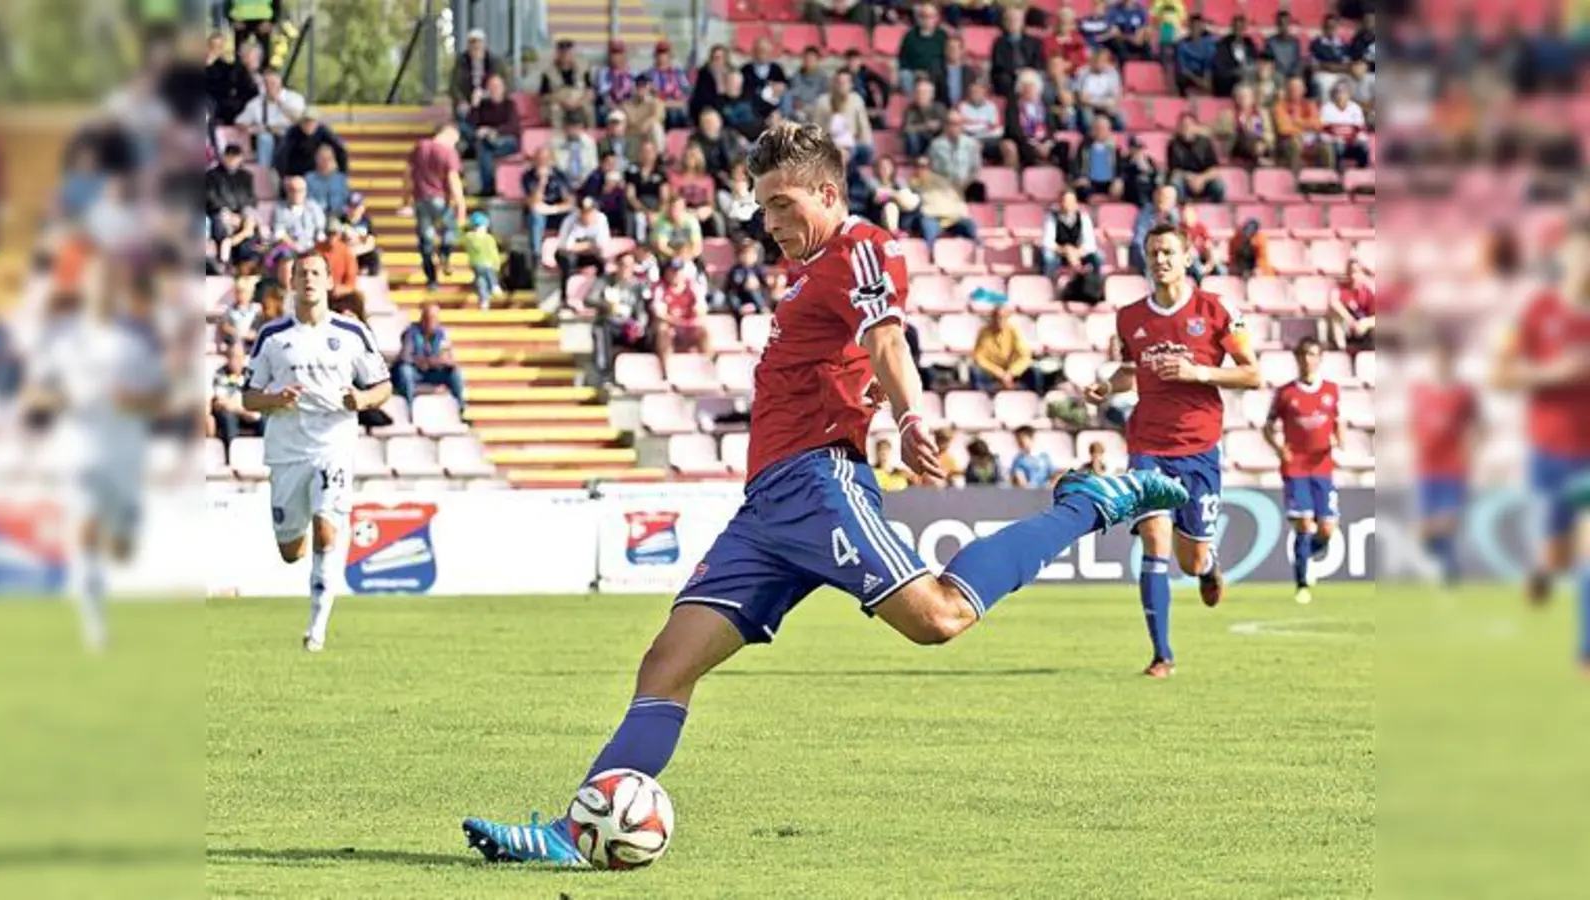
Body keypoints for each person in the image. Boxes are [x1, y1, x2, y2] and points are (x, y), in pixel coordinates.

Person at [460, 122, 1189, 863]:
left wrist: (908, 415)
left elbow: (887, 339)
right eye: (762, 208)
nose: (769, 223)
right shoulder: (807, 271)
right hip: (767, 507)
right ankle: (571, 832)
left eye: (781, 204)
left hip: (817, 481)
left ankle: (1088, 503)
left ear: (828, 193)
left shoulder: (861, 250)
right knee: (665, 664)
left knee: (937, 618)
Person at [1085, 223, 1262, 677]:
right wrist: (1108, 386)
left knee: (1192, 558)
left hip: (1199, 447)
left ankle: (1208, 566)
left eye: (1167, 252)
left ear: (1187, 258)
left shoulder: (1217, 309)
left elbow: (1252, 374)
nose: (1160, 260)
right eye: (1152, 252)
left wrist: (1197, 373)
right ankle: (1162, 655)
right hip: (1147, 444)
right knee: (1154, 541)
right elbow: (1132, 371)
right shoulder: (1129, 317)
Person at [242, 250, 391, 652]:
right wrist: (275, 398)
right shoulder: (273, 337)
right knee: (291, 550)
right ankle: (300, 529)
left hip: (334, 446)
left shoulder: (351, 333)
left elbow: (383, 386)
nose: (308, 279)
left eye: (315, 273)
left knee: (328, 531)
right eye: (301, 273)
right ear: (291, 283)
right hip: (288, 451)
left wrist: (361, 400)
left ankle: (316, 631)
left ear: (328, 282)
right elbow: (248, 399)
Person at [21, 276, 168, 651]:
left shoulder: (134, 346)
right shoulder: (64, 344)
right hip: (80, 448)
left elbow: (158, 398)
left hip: (124, 450)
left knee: (121, 545)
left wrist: (129, 399)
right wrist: (59, 399)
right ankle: (95, 628)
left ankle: (126, 526)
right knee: (85, 530)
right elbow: (36, 392)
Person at [1490, 230, 1590, 628]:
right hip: (1551, 452)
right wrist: (1553, 372)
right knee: (1559, 554)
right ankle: (1545, 570)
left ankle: (1585, 652)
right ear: (1565, 262)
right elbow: (1499, 375)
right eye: (1581, 256)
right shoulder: (1537, 311)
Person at [1263, 337, 1344, 606]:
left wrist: (1339, 441)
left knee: (1327, 529)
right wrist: (1279, 449)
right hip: (1295, 467)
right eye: (1303, 354)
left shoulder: (1332, 390)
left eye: (1312, 354)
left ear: (1320, 358)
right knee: (1305, 524)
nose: (1307, 359)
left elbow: (1338, 421)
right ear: (1297, 358)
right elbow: (1268, 426)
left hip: (1323, 466)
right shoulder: (1286, 393)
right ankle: (1301, 584)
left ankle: (1306, 556)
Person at [1410, 338, 1478, 587]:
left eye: (1445, 357)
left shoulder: (1463, 394)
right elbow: (1413, 424)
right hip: (1426, 468)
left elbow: (1478, 425)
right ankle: (1448, 576)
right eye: (1437, 357)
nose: (1441, 362)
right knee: (1433, 540)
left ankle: (1447, 575)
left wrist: (1471, 452)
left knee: (1449, 522)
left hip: (1453, 467)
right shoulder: (1420, 391)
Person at [399, 122, 466, 287]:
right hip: (440, 199)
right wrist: (461, 206)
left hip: (421, 199)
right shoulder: (448, 152)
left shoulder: (420, 147)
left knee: (426, 239)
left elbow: (408, 175)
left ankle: (431, 279)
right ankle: (444, 255)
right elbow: (453, 180)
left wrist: (406, 200)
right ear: (450, 134)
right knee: (450, 229)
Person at [394, 302, 468, 415]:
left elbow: (450, 359)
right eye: (429, 318)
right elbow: (405, 358)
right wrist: (427, 361)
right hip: (415, 373)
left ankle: (461, 408)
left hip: (433, 373)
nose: (431, 321)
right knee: (405, 371)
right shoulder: (411, 333)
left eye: (434, 318)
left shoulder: (442, 334)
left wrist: (444, 362)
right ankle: (408, 410)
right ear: (422, 318)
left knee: (455, 373)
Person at [467, 72, 522, 197]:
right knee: (483, 148)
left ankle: (488, 188)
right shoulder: (484, 106)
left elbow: (512, 126)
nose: (494, 90)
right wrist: (475, 105)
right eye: (491, 87)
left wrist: (493, 131)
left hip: (508, 142)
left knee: (487, 144)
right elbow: (472, 124)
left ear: (503, 88)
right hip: (489, 143)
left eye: (497, 86)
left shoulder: (510, 105)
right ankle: (490, 188)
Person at [971, 305, 1039, 392]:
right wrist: (999, 372)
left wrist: (1011, 372)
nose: (999, 321)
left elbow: (1025, 356)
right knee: (975, 371)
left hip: (1011, 370)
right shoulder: (983, 332)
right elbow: (979, 357)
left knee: (1034, 372)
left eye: (1003, 318)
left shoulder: (1014, 331)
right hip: (992, 371)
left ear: (1007, 318)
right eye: (996, 317)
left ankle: (1034, 396)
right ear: (992, 318)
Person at [1330, 258, 1375, 351]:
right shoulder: (1340, 288)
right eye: (1351, 272)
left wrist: (1365, 323)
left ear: (1363, 274)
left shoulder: (1368, 291)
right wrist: (1351, 321)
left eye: (1357, 272)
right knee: (1335, 317)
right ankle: (1342, 351)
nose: (1354, 276)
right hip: (1347, 327)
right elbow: (1333, 303)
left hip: (1364, 328)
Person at [462, 211, 502, 310]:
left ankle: (484, 300)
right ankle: (494, 285)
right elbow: (493, 252)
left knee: (481, 282)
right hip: (482, 264)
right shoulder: (473, 238)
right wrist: (496, 264)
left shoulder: (476, 237)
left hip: (480, 264)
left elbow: (493, 252)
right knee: (487, 273)